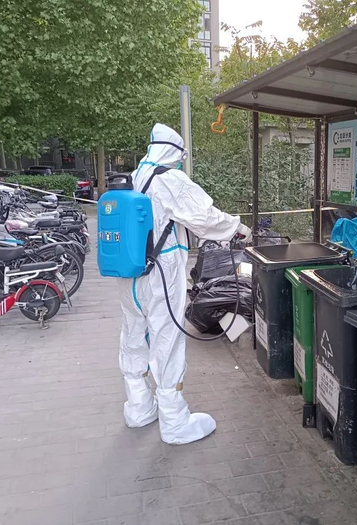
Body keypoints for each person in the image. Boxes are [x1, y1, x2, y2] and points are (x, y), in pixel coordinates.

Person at [118, 123, 252, 444]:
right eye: (180, 159)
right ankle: (175, 422)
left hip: (130, 273)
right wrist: (237, 227)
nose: (180, 164)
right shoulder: (169, 179)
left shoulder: (134, 178)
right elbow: (204, 218)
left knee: (134, 333)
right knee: (167, 337)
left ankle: (138, 408)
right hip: (161, 272)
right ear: (175, 153)